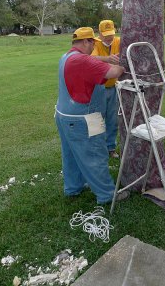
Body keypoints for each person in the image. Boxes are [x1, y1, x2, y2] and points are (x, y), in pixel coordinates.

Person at [55, 27, 128, 204]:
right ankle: (107, 195)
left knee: (71, 155)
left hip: (64, 115)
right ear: (85, 42)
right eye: (92, 43)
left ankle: (73, 187)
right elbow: (113, 73)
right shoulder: (82, 61)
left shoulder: (67, 57)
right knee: (96, 155)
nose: (93, 48)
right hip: (85, 118)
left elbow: (92, 63)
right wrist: (121, 66)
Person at [91, 20, 120, 158]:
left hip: (114, 87)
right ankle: (95, 149)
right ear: (100, 34)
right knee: (96, 119)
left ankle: (110, 148)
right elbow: (91, 59)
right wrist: (107, 59)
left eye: (111, 34)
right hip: (98, 88)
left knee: (113, 119)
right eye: (106, 35)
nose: (110, 38)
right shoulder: (95, 44)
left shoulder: (118, 41)